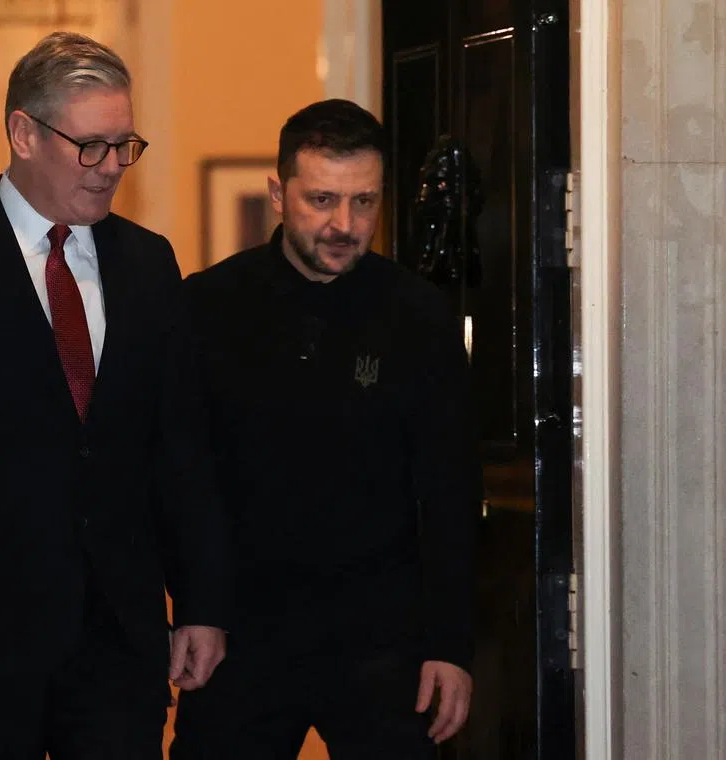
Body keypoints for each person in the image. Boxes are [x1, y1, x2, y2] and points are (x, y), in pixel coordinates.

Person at [0, 32, 230, 760]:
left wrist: (202, 605)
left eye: (125, 145)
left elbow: (181, 449)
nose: (112, 167)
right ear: (23, 132)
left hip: (120, 641)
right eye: (90, 146)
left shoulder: (149, 264)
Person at [168, 99, 480, 759]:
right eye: (322, 200)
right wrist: (195, 607)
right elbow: (180, 476)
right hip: (239, 637)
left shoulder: (419, 316)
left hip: (383, 643)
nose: (345, 224)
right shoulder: (206, 307)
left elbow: (450, 489)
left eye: (364, 202)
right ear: (278, 194)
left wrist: (452, 646)